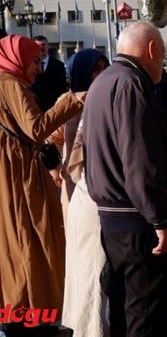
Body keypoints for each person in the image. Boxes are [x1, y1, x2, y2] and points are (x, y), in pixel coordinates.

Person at [83, 21, 167, 336]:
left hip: (112, 223)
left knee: (125, 312)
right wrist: (162, 220)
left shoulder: (103, 81)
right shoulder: (131, 84)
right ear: (152, 50)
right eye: (163, 57)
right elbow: (141, 162)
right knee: (145, 316)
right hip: (136, 224)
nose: (162, 66)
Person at [0, 35, 85, 336]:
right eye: (35, 61)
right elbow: (34, 129)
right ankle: (30, 322)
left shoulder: (8, 81)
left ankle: (27, 318)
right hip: (19, 179)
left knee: (22, 245)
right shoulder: (9, 82)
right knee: (30, 242)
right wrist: (72, 101)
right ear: (18, 58)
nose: (39, 68)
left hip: (16, 174)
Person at [48, 49, 109, 215]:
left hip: (106, 178)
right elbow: (51, 139)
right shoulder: (68, 101)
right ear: (81, 71)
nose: (102, 74)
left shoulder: (111, 98)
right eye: (96, 69)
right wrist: (55, 168)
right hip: (74, 178)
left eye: (105, 68)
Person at [31, 35, 69, 111]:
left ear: (47, 46)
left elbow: (62, 87)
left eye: (43, 45)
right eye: (37, 45)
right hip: (36, 107)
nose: (41, 48)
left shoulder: (59, 65)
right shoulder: (30, 66)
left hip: (54, 107)